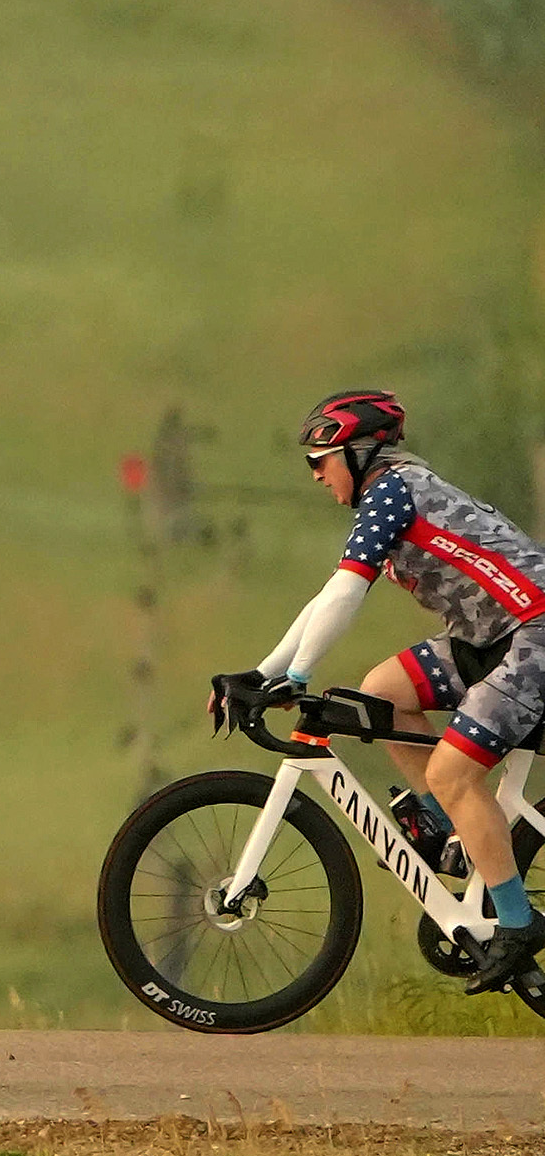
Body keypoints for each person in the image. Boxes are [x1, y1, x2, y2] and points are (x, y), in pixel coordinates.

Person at [227, 388, 545, 993]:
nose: (316, 475)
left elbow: (348, 594)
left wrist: (295, 679)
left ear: (357, 452)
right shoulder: (391, 493)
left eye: (320, 461)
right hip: (490, 636)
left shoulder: (392, 492)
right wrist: (265, 670)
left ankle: (517, 922)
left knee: (455, 775)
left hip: (533, 633)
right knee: (383, 692)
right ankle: (445, 830)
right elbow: (329, 596)